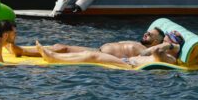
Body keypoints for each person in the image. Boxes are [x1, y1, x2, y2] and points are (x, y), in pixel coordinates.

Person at [36, 29, 186, 68]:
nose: (167, 38)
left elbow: (158, 51)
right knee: (91, 55)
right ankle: (53, 56)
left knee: (93, 57)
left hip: (129, 65)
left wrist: (171, 46)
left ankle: (54, 58)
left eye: (171, 37)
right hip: (127, 61)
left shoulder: (170, 58)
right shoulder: (163, 52)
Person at [23, 26, 167, 59]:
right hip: (98, 50)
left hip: (100, 55)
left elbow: (151, 53)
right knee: (59, 46)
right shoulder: (136, 43)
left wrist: (167, 44)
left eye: (149, 35)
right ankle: (25, 51)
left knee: (63, 49)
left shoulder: (143, 50)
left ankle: (23, 52)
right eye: (147, 32)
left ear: (155, 41)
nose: (145, 34)